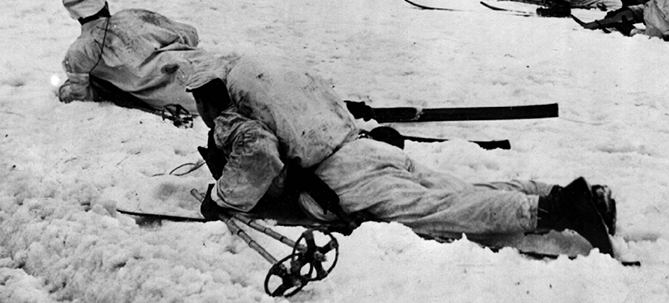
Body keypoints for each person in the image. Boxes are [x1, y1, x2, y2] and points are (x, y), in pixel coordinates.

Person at [181, 52, 617, 254]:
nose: (199, 110)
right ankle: (564, 194)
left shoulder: (230, 117)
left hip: (344, 177)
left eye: (197, 101)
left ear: (208, 95)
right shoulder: (272, 76)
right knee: (457, 191)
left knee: (441, 212)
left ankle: (560, 209)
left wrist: (220, 200)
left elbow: (258, 155)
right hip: (367, 149)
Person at [57, 0, 205, 115]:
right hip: (203, 67)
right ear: (105, 3)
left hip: (186, 100)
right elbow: (191, 34)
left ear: (75, 16)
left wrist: (66, 87)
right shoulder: (133, 15)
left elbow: (78, 95)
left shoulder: (79, 50)